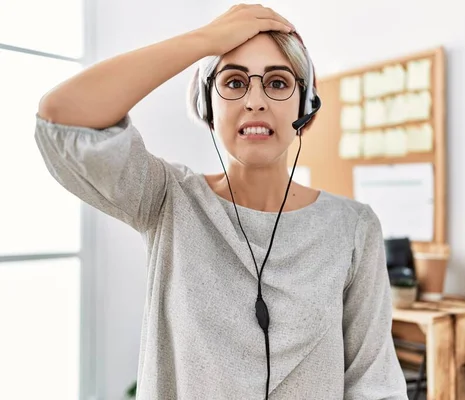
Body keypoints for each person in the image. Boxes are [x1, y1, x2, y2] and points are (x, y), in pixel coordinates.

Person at [34, 4, 408, 400]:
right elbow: (62, 119)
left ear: (307, 108)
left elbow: (373, 383)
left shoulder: (352, 227)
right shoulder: (167, 199)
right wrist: (206, 41)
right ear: (206, 105)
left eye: (278, 83)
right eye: (233, 83)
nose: (256, 101)